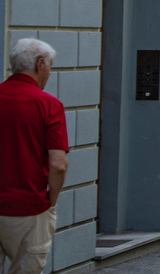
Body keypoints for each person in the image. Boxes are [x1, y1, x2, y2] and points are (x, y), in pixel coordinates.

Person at [0, 39, 68, 274]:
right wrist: (52, 201)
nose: (49, 72)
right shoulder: (49, 105)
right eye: (50, 66)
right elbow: (58, 164)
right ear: (40, 65)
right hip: (29, 207)